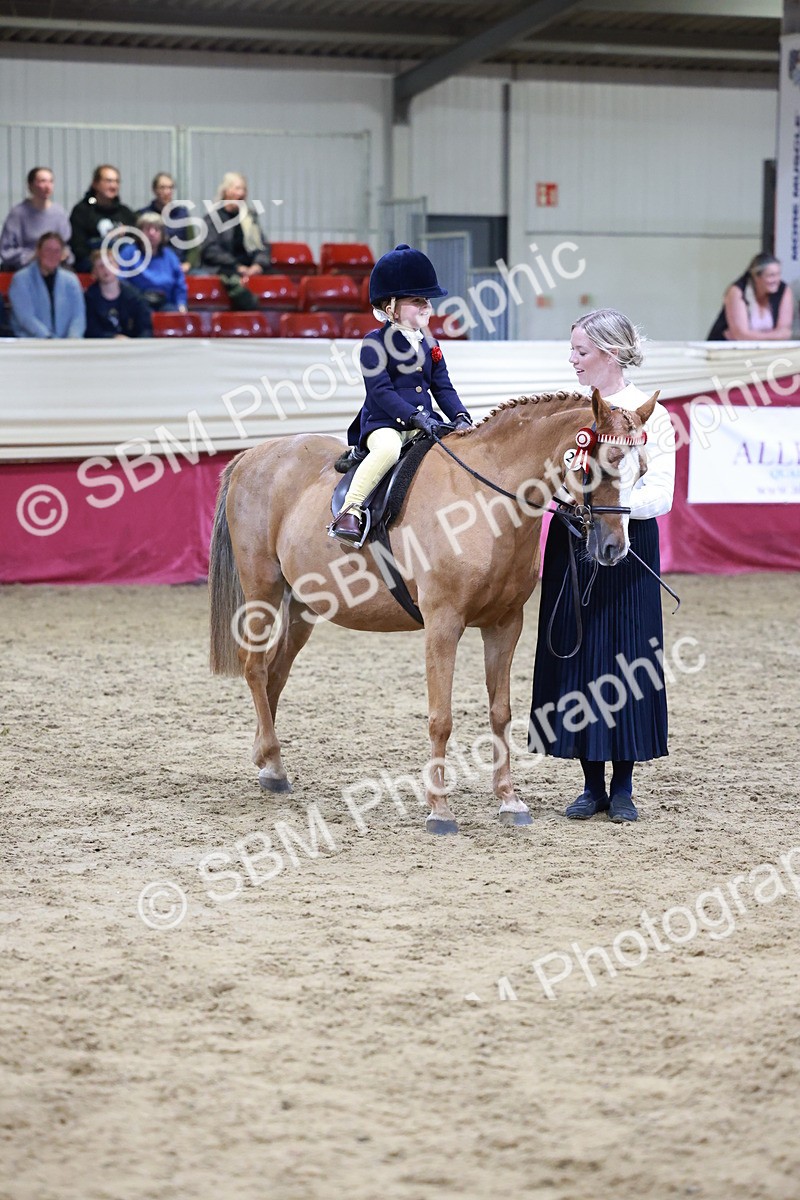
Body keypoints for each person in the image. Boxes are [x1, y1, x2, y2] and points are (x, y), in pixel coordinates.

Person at [528, 308, 676, 823]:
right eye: (572, 350)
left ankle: (626, 785)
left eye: (581, 351)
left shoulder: (651, 413)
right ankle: (591, 784)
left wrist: (613, 511)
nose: (572, 360)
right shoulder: (572, 413)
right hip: (573, 540)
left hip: (629, 544)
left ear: (609, 354)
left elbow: (661, 492)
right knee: (581, 656)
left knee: (627, 658)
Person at [329, 243, 473, 544]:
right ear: (389, 308)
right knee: (387, 452)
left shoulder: (429, 343)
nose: (426, 307)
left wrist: (460, 416)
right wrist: (416, 417)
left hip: (425, 424)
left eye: (427, 301)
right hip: (385, 424)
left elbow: (442, 386)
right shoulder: (374, 344)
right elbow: (380, 391)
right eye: (416, 301)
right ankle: (350, 509)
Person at [8, 232, 85, 338]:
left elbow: (78, 317)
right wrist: (49, 340)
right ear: (39, 252)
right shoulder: (21, 279)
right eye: (48, 250)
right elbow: (25, 318)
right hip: (30, 344)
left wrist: (72, 342)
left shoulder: (72, 280)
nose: (52, 255)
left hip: (66, 346)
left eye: (56, 251)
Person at [707, 252, 794, 340]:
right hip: (725, 350)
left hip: (766, 351)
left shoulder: (784, 290)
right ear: (756, 277)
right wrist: (774, 335)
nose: (776, 280)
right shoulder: (737, 291)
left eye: (778, 274)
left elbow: (785, 333)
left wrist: (751, 335)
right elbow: (741, 336)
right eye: (771, 275)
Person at [0, 166, 73, 271]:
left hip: (55, 266)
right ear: (30, 186)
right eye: (43, 181)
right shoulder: (18, 213)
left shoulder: (59, 213)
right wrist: (33, 256)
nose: (47, 186)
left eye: (51, 181)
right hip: (25, 266)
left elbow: (67, 245)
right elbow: (6, 250)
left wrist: (63, 254)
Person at [199, 172, 271, 277]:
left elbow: (262, 245)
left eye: (244, 189)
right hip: (224, 269)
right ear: (226, 191)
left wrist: (258, 265)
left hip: (251, 268)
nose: (241, 193)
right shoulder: (212, 218)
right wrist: (236, 266)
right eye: (237, 188)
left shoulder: (250, 217)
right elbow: (210, 250)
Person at [69, 164, 138, 273]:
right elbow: (78, 246)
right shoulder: (82, 211)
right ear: (95, 184)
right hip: (90, 266)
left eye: (116, 181)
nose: (113, 186)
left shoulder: (126, 213)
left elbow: (136, 243)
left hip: (121, 265)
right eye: (108, 181)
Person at [118, 213, 188, 311]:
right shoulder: (128, 252)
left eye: (156, 229)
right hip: (136, 305)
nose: (152, 233)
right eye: (147, 229)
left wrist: (181, 305)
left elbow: (179, 284)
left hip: (166, 304)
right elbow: (120, 280)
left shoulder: (170, 255)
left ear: (162, 234)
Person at [84, 250, 153, 339]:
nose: (106, 269)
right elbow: (91, 331)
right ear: (94, 272)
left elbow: (145, 329)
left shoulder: (134, 296)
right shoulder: (89, 298)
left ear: (118, 266)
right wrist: (113, 338)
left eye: (110, 264)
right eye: (101, 266)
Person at [139, 172, 193, 272]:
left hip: (180, 266)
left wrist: (188, 264)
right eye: (162, 188)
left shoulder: (183, 214)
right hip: (151, 266)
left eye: (170, 188)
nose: (167, 192)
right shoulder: (143, 215)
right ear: (154, 190)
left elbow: (193, 245)